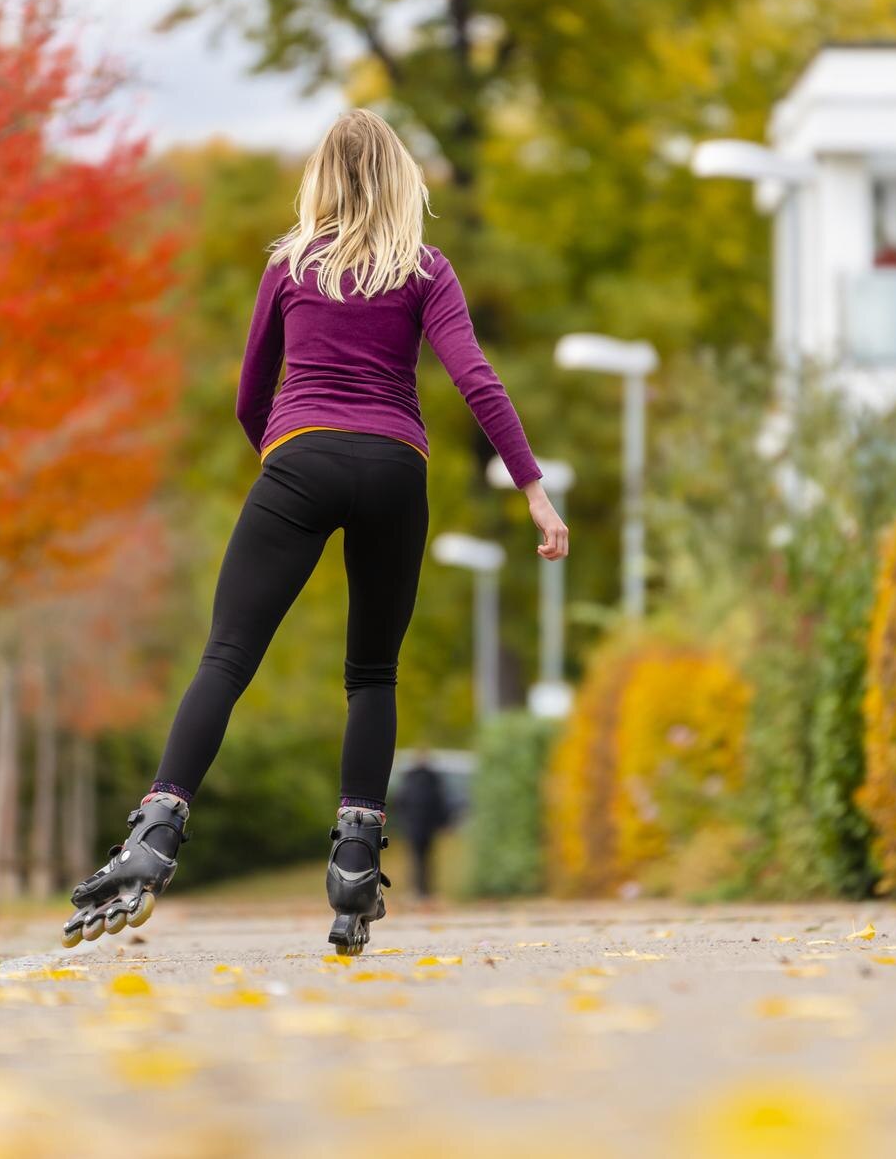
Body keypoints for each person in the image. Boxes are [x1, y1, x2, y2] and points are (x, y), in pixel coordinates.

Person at [63, 110, 567, 954]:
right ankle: (357, 865)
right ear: (403, 179)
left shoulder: (291, 267)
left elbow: (247, 396)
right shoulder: (425, 270)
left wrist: (291, 460)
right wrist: (534, 491)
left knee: (226, 656)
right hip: (397, 467)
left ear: (321, 179)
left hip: (300, 458)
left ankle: (154, 834)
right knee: (372, 673)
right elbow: (475, 377)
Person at [391, 755, 453, 901]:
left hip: (412, 827)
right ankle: (426, 890)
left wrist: (401, 822)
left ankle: (416, 889)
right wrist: (443, 823)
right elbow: (441, 804)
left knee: (414, 858)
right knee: (428, 859)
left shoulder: (408, 780)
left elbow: (398, 803)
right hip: (428, 828)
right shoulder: (434, 781)